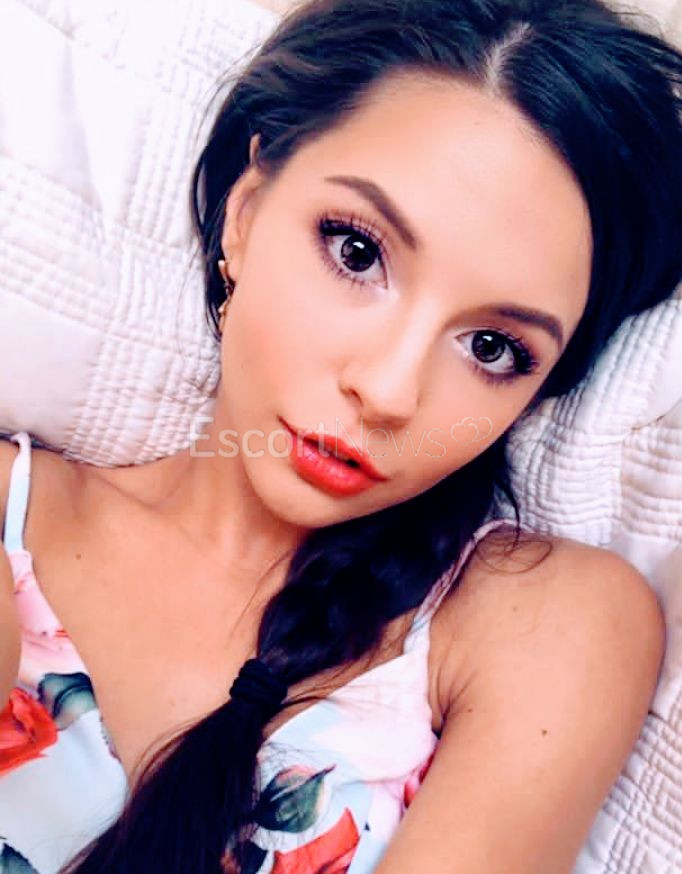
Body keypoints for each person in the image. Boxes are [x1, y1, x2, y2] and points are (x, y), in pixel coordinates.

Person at [1, 0, 681, 870]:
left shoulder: (539, 619)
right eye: (357, 252)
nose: (389, 392)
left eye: (492, 347)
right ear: (246, 213)